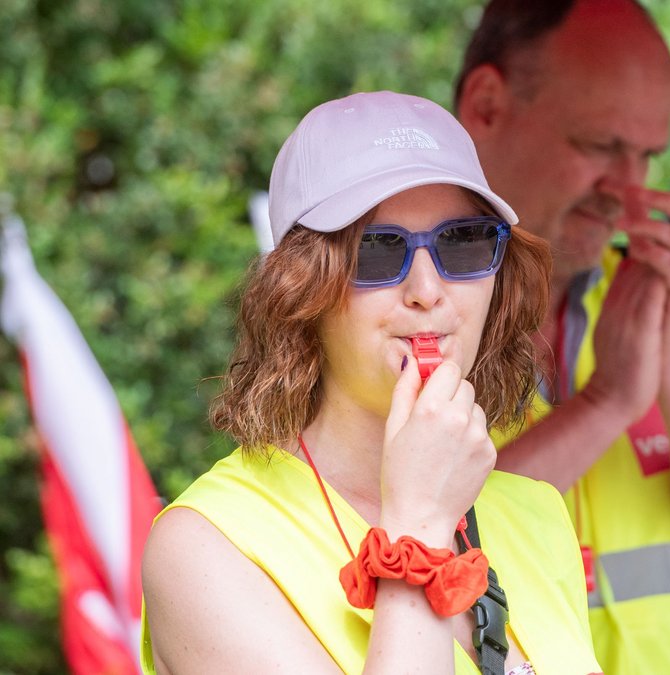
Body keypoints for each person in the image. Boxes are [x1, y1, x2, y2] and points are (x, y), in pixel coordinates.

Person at [140, 91, 603, 674]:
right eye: (377, 253)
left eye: (463, 243)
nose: (428, 291)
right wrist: (417, 529)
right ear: (299, 290)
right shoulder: (207, 548)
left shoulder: (535, 511)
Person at [454, 1, 670, 672]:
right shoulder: (407, 301)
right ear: (488, 104)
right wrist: (608, 399)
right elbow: (414, 553)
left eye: (647, 154)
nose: (627, 190)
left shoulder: (667, 298)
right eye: (599, 146)